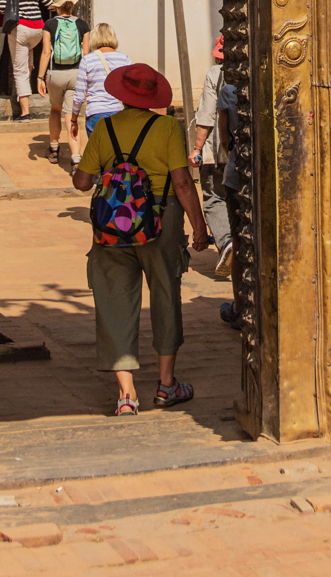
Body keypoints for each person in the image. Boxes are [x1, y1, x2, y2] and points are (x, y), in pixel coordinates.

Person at [73, 61, 210, 415]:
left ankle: (126, 394)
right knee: (166, 294)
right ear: (152, 97)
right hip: (161, 220)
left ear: (122, 94)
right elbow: (182, 182)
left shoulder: (105, 128)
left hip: (112, 226)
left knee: (114, 301)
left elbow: (82, 182)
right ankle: (166, 385)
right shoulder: (167, 128)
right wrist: (199, 226)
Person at [192, 34, 233, 278]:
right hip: (244, 152)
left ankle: (227, 242)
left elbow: (206, 116)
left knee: (214, 198)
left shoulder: (215, 74)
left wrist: (197, 149)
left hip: (219, 151)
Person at [36, 0, 88, 162]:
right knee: (71, 115)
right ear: (72, 6)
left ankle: (54, 149)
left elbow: (46, 52)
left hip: (55, 74)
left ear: (57, 8)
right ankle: (76, 158)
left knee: (55, 109)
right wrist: (87, 80)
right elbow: (86, 54)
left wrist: (40, 78)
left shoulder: (50, 24)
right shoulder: (82, 25)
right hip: (76, 74)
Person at [0, 0, 51, 120]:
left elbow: (1, 8)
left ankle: (25, 112)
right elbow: (49, 4)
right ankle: (25, 91)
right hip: (38, 29)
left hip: (20, 28)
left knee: (19, 70)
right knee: (28, 60)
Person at [69, 22, 130, 142]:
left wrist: (73, 120)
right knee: (119, 151)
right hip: (118, 113)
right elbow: (130, 89)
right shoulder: (124, 59)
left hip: (95, 113)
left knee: (97, 151)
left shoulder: (87, 60)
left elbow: (79, 96)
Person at [217, 73, 242, 327]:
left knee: (239, 240)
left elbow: (224, 138)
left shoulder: (228, 92)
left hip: (237, 174)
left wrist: (233, 157)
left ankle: (239, 305)